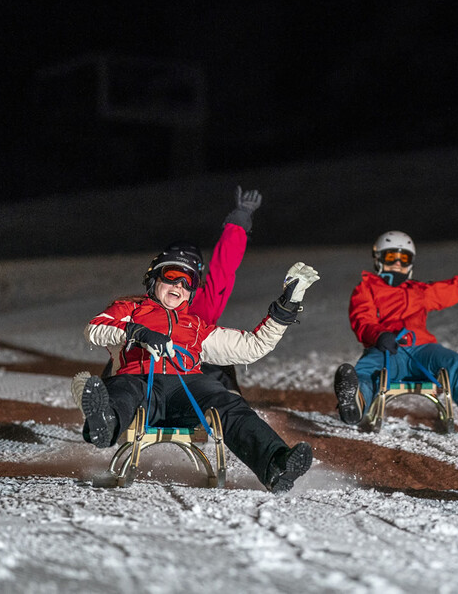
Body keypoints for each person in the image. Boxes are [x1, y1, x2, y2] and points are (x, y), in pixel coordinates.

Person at [78, 245, 320, 494]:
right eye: (172, 275)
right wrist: (137, 332)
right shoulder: (130, 311)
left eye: (188, 281)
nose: (179, 285)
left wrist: (286, 307)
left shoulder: (196, 327)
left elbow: (253, 346)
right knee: (123, 389)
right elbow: (95, 330)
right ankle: (105, 424)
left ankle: (275, 464)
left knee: (224, 400)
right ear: (154, 279)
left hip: (186, 393)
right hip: (141, 386)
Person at [334, 222, 458, 431]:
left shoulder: (419, 291)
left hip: (422, 350)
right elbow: (362, 319)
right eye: (391, 257)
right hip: (385, 350)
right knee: (368, 370)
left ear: (410, 263)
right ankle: (355, 401)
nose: (397, 263)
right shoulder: (366, 289)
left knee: (454, 363)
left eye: (403, 258)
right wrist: (379, 336)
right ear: (378, 258)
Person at [97, 185, 262, 394]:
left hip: (183, 370)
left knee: (219, 360)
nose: (178, 285)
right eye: (173, 275)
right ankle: (109, 404)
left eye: (186, 277)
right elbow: (106, 330)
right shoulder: (144, 305)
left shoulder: (198, 300)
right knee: (122, 356)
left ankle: (230, 405)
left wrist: (238, 223)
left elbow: (224, 266)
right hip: (155, 370)